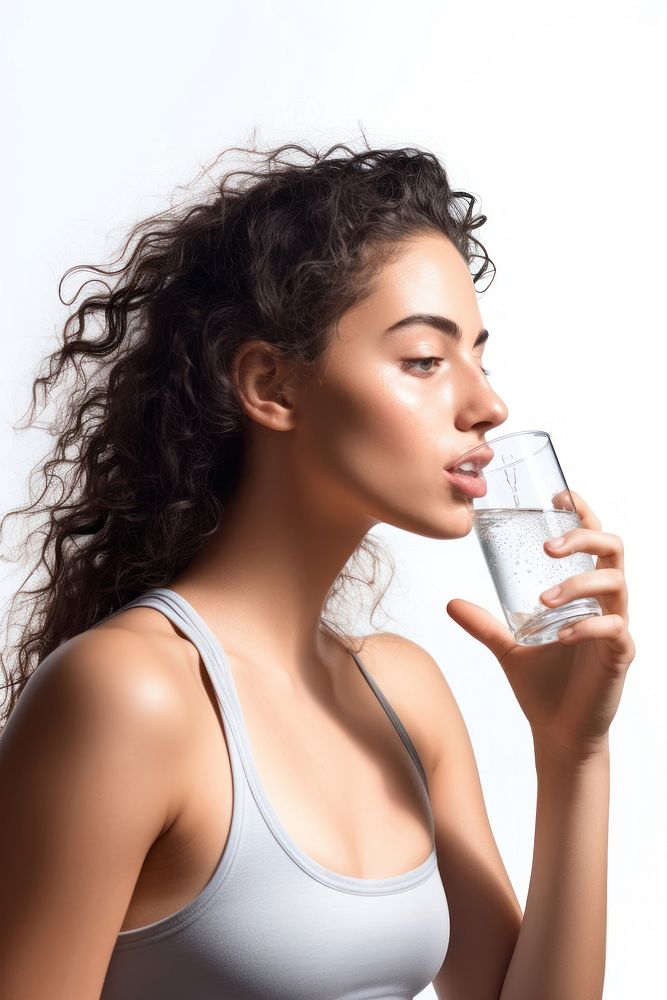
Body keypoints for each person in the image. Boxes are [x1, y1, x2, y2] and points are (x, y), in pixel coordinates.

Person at [0, 140, 634, 1000]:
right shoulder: (129, 694)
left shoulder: (402, 699)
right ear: (272, 386)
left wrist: (573, 755)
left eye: (477, 356)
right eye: (424, 360)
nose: (486, 404)